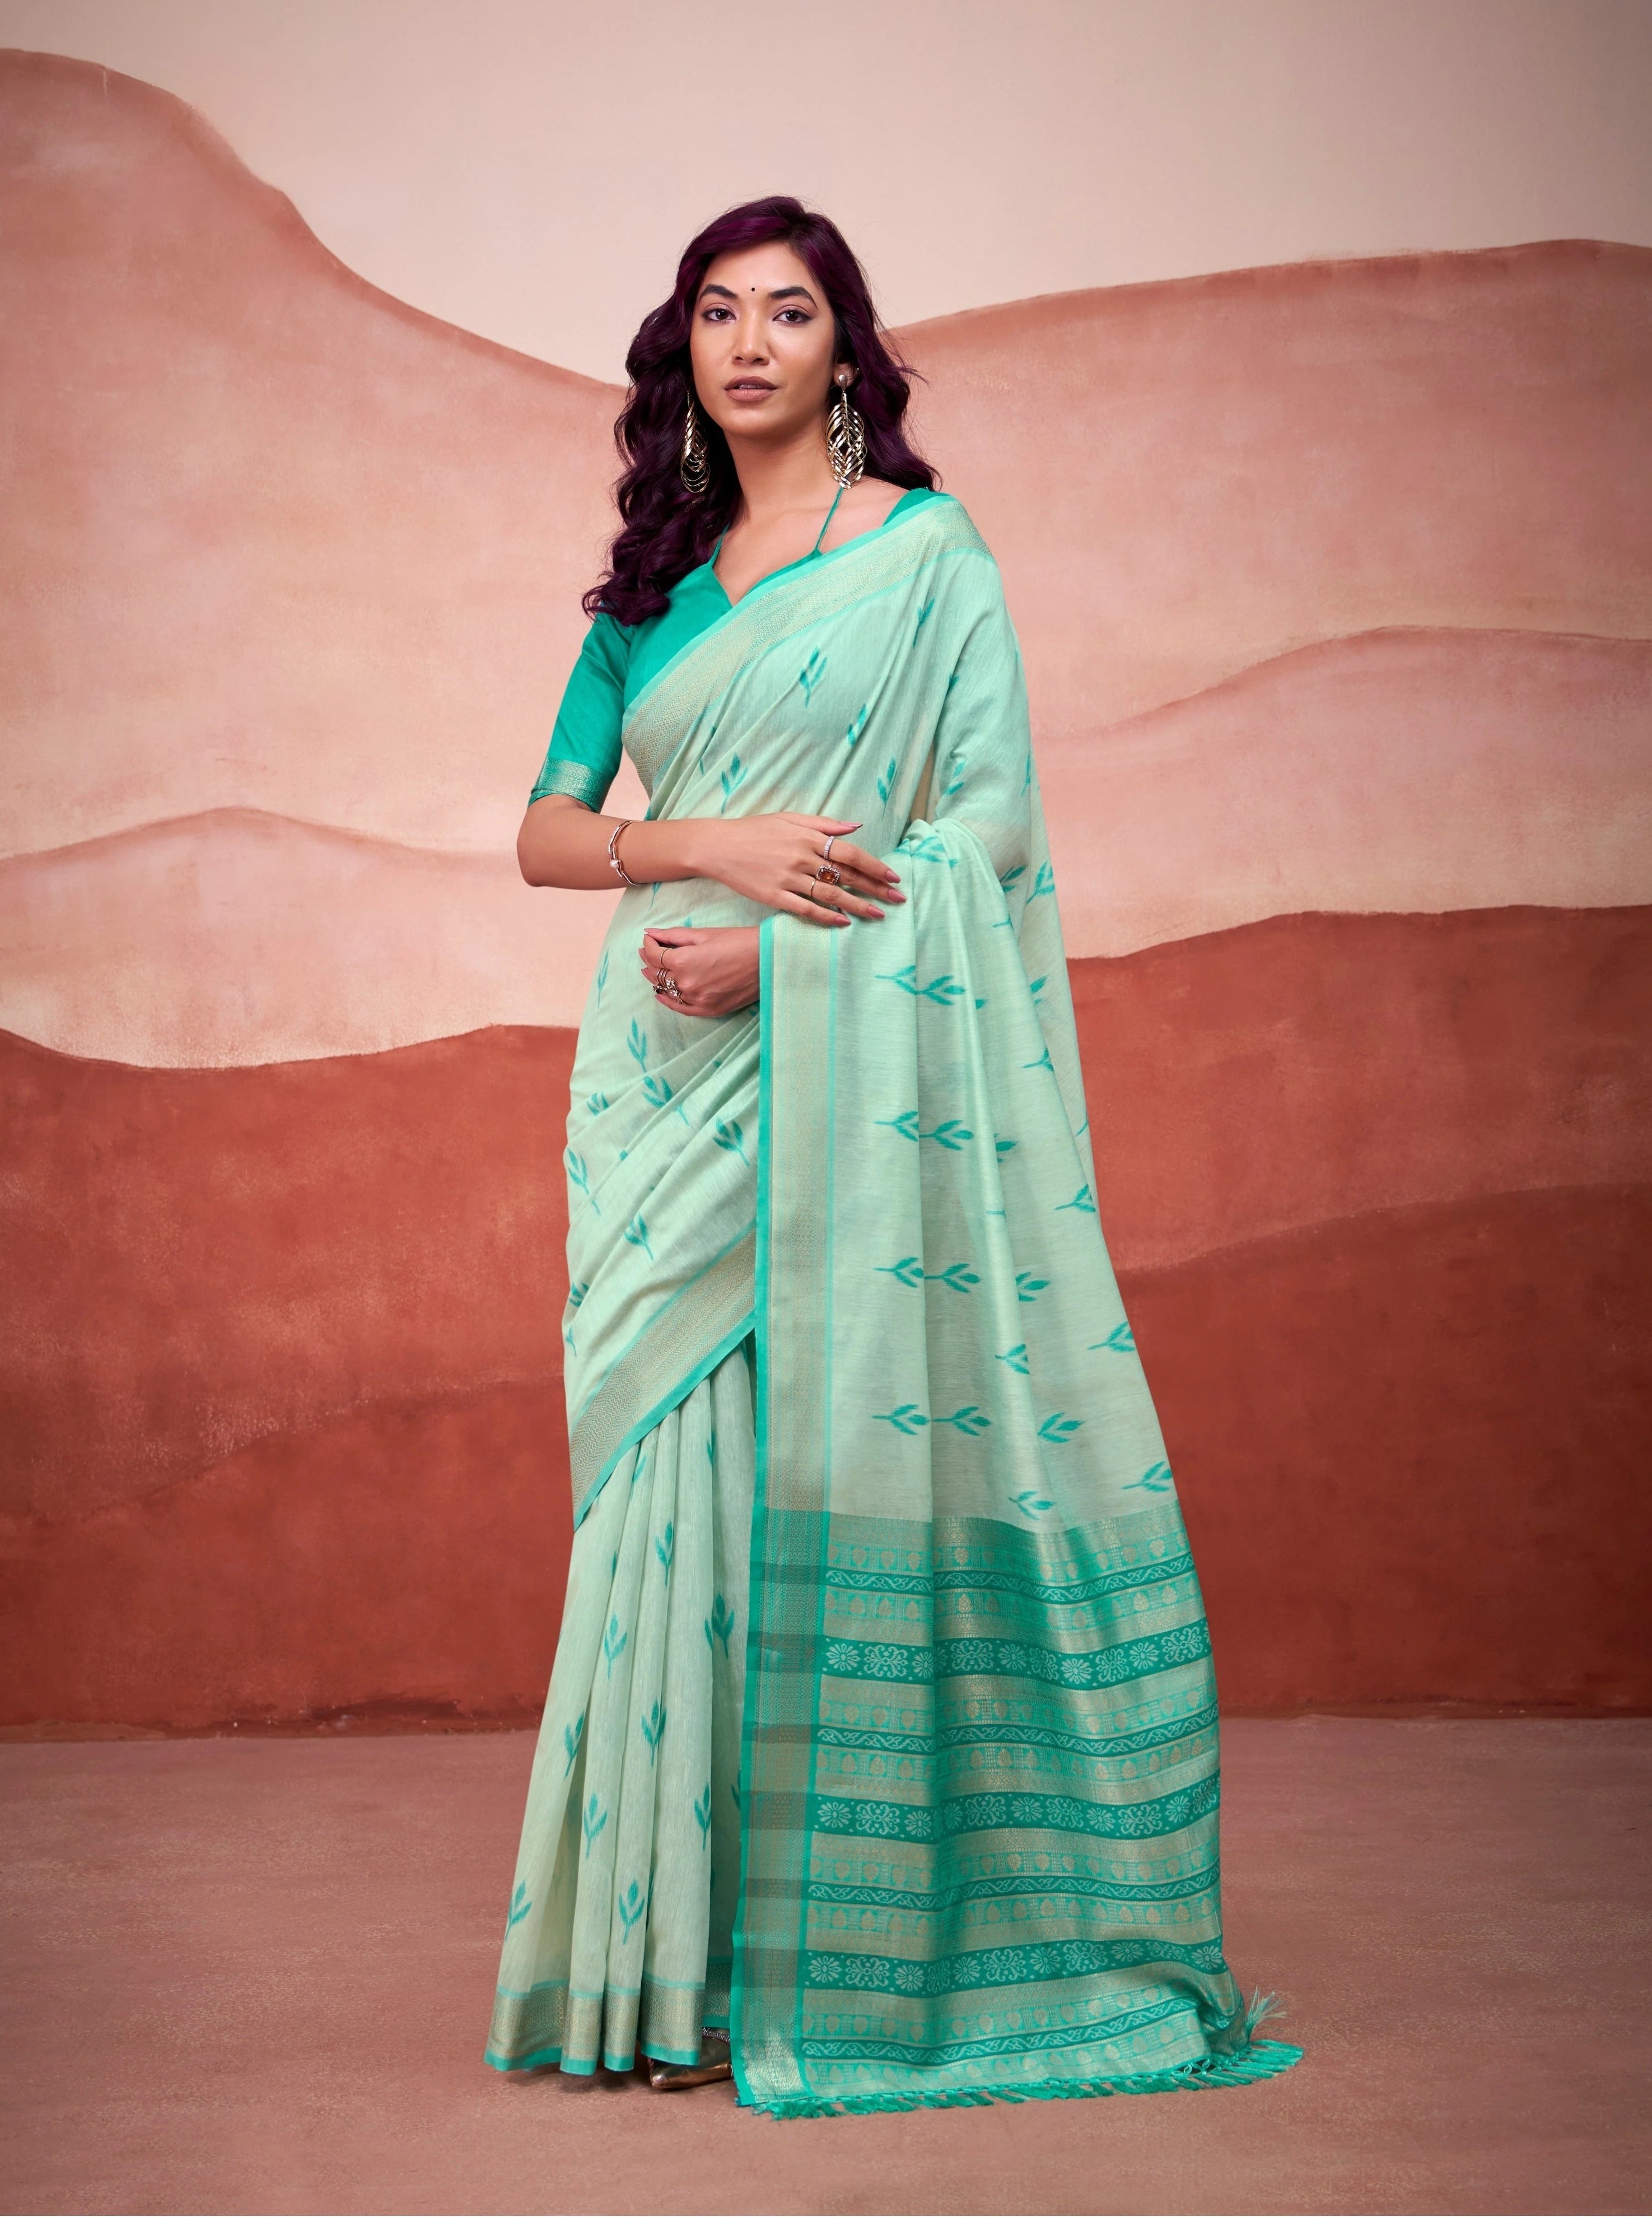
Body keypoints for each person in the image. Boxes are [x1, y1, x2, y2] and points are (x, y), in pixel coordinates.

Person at [484, 197, 1303, 2118]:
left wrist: (785, 946)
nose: (750, 340)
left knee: (821, 1459)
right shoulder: (649, 594)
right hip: (655, 1082)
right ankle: (656, 1973)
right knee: (666, 1485)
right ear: (678, 351)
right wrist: (708, 849)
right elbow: (541, 832)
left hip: (835, 1051)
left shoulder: (928, 563)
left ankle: (818, 1954)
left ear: (849, 350)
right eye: (715, 311)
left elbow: (991, 833)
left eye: (790, 310)